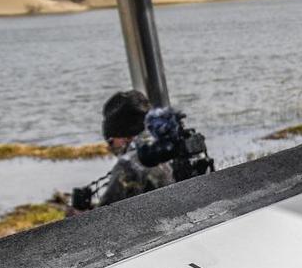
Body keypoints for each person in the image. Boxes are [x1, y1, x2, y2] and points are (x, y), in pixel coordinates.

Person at [71, 90, 213, 211]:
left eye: (110, 141)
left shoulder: (130, 164)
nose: (110, 148)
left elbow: (100, 224)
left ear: (124, 136)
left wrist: (77, 214)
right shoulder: (179, 143)